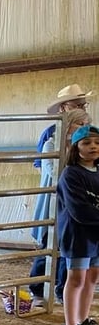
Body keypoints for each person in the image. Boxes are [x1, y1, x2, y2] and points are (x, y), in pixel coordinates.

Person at [29, 85, 94, 306]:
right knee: (50, 242)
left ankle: (61, 289)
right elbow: (46, 168)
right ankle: (37, 288)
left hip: (76, 200)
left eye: (83, 106)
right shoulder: (51, 138)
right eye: (77, 106)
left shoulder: (85, 142)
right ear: (65, 109)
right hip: (55, 198)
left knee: (68, 246)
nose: (84, 125)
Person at [55, 125, 99, 325]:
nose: (93, 147)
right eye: (86, 143)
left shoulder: (98, 171)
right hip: (77, 234)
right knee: (76, 279)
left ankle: (83, 321)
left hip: (95, 234)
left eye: (97, 143)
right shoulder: (71, 174)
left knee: (92, 277)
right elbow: (79, 210)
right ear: (76, 148)